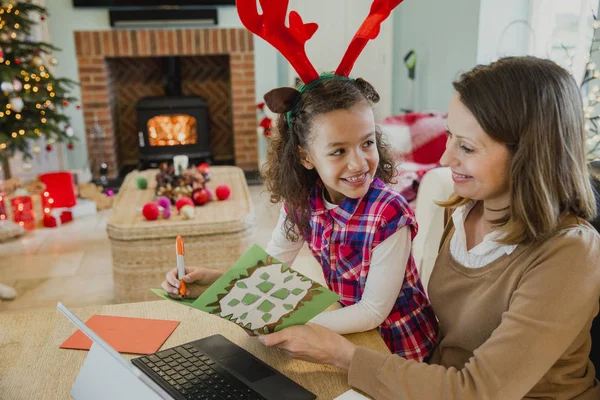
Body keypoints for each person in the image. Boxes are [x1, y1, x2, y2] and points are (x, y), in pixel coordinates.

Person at [255, 56, 600, 400]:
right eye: (450, 137)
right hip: (435, 379)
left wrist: (339, 353)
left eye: (466, 146)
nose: (446, 158)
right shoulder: (467, 210)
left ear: (529, 153)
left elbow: (477, 391)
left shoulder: (570, 254)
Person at [162, 74, 438, 361]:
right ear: (306, 157)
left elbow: (371, 312)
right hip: (350, 330)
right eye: (338, 151)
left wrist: (290, 324)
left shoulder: (390, 213)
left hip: (399, 348)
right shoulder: (302, 202)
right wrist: (212, 282)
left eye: (367, 143)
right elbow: (271, 269)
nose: (358, 163)